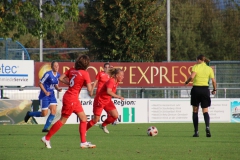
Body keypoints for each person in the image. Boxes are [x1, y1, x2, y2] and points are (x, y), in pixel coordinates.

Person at [41, 54, 96, 149]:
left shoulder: (72, 70)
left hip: (70, 97)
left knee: (83, 119)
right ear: (86, 64)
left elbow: (60, 78)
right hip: (72, 99)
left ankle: (83, 142)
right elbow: (90, 91)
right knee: (62, 120)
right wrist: (94, 84)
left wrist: (70, 83)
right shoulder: (85, 73)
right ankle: (47, 137)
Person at [24, 61, 62, 132]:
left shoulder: (58, 75)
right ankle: (29, 114)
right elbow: (40, 83)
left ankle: (45, 128)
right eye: (55, 66)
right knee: (44, 114)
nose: (57, 67)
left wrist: (58, 88)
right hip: (44, 96)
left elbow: (55, 85)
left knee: (53, 111)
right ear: (52, 67)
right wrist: (45, 92)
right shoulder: (48, 74)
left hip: (52, 96)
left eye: (57, 65)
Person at [185, 55, 217, 137]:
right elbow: (213, 81)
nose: (196, 61)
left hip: (196, 89)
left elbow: (192, 77)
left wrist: (187, 82)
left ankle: (196, 132)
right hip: (205, 90)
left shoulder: (196, 67)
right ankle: (207, 126)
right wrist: (214, 89)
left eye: (196, 59)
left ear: (199, 60)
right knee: (205, 111)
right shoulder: (209, 69)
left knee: (195, 111)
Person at [86, 68, 124, 134]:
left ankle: (103, 125)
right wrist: (118, 96)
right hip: (100, 100)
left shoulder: (116, 82)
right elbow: (108, 91)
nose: (123, 77)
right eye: (122, 75)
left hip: (107, 101)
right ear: (117, 75)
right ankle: (84, 130)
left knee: (115, 115)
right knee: (95, 119)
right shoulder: (111, 81)